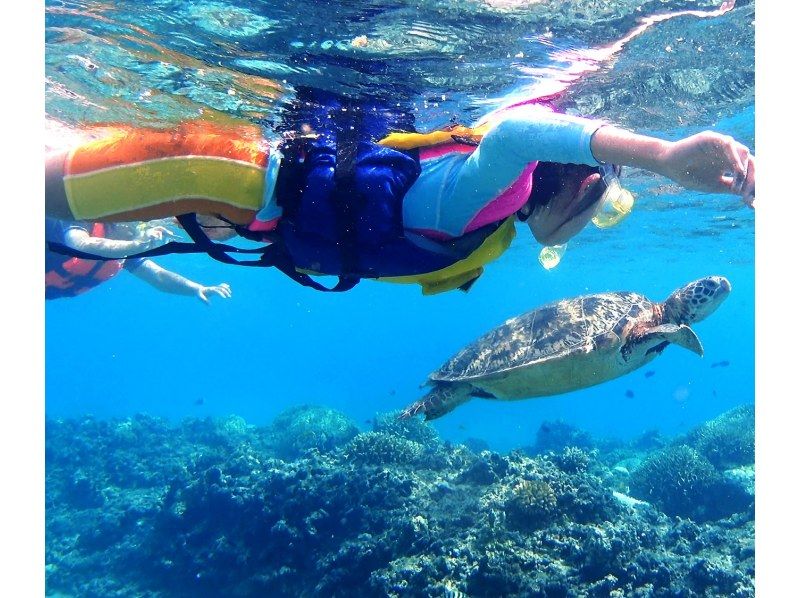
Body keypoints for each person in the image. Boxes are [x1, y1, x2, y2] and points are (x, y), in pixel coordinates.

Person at [44, 94, 755, 294]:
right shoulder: (490, 192)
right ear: (575, 183)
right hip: (227, 173)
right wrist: (660, 154)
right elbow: (514, 132)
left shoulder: (492, 224)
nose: (595, 223)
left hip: (247, 206)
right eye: (608, 207)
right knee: (41, 189)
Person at [45, 217, 233, 303]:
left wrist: (196, 289)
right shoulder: (82, 217)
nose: (137, 226)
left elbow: (158, 277)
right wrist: (137, 246)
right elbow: (80, 244)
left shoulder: (125, 247)